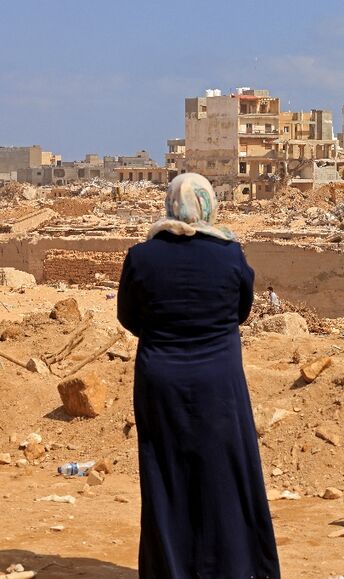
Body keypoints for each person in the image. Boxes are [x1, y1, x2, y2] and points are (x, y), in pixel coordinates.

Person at [118, 173, 280, 579]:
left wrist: (165, 335)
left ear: (171, 204)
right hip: (218, 380)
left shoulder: (142, 256)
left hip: (160, 380)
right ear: (208, 204)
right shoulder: (230, 255)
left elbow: (128, 316)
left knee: (166, 472)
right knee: (224, 471)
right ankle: (233, 566)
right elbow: (241, 311)